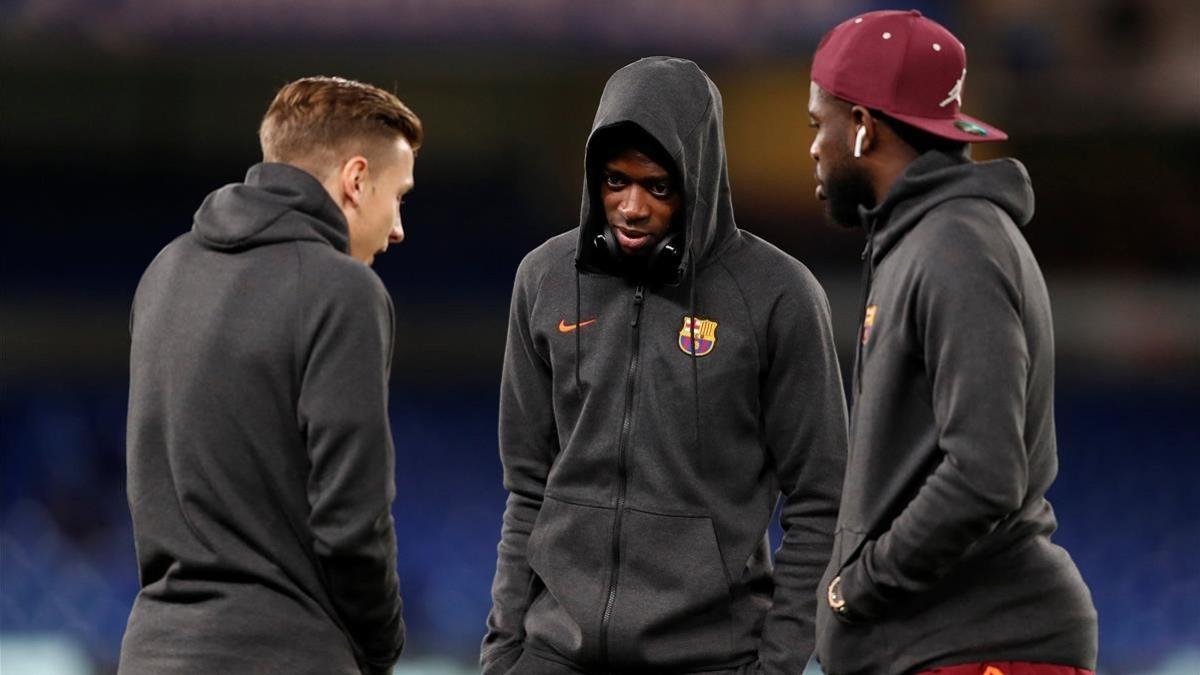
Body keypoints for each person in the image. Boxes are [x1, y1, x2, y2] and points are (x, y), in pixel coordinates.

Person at [481, 56, 848, 675]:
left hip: (711, 656)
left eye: (658, 186)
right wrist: (503, 654)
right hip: (553, 653)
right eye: (614, 181)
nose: (630, 207)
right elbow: (527, 489)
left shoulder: (779, 295)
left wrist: (778, 664)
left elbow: (822, 501)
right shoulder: (543, 279)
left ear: (699, 176)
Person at [805, 10, 1098, 675]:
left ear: (862, 128)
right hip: (942, 651)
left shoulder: (956, 244)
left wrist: (856, 585)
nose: (813, 148)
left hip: (976, 648)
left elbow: (984, 471)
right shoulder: (929, 240)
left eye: (816, 123)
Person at [120, 76, 421, 675]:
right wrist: (382, 651)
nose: (397, 228)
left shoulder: (164, 272)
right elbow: (352, 523)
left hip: (153, 650)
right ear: (356, 180)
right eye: (400, 196)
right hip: (286, 653)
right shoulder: (345, 292)